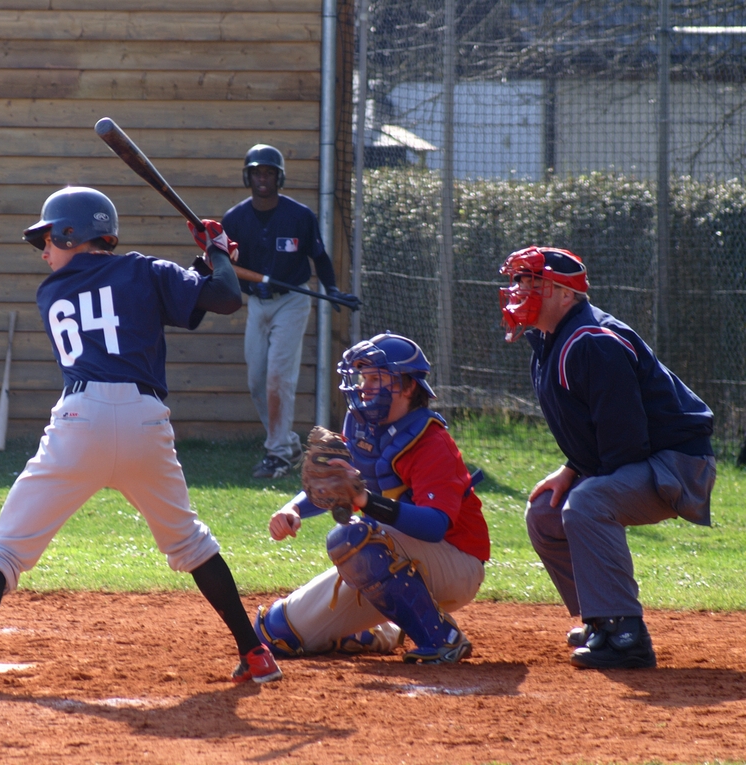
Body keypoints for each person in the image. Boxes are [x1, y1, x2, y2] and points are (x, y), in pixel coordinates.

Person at [0, 187, 283, 693]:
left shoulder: (52, 292)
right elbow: (222, 297)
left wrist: (207, 261)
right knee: (190, 543)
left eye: (48, 238)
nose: (44, 251)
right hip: (145, 422)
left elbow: (151, 297)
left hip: (79, 422)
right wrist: (216, 254)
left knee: (3, 549)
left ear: (72, 234)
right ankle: (255, 653)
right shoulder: (144, 270)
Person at [499, 246, 716, 670]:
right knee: (545, 512)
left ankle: (626, 635)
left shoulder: (592, 341)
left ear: (566, 294)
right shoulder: (550, 340)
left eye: (533, 282)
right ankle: (599, 620)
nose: (520, 290)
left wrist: (585, 480)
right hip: (646, 457)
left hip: (678, 464)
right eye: (519, 281)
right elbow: (599, 429)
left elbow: (625, 441)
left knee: (587, 502)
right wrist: (570, 470)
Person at [255, 333, 489, 663]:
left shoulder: (431, 441)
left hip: (456, 562)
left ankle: (442, 637)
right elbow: (336, 484)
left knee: (352, 539)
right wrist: (292, 508)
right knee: (275, 633)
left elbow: (435, 525)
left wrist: (365, 501)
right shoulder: (362, 427)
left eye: (377, 378)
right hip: (388, 556)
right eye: (363, 377)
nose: (364, 387)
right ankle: (384, 632)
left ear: (408, 386)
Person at [221, 144, 358, 479]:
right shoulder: (235, 219)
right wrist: (245, 287)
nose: (262, 179)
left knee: (278, 378)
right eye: (257, 172)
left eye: (269, 173)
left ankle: (278, 454)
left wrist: (332, 290)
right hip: (258, 303)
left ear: (279, 178)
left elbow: (319, 258)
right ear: (248, 177)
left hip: (292, 301)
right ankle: (288, 444)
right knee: (257, 381)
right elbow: (226, 265)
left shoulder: (299, 216)